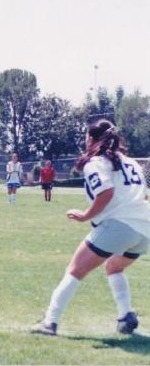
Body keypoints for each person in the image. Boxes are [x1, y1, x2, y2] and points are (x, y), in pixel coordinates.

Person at [32, 119, 150, 336]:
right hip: (145, 229)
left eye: (86, 137)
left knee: (75, 270)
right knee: (114, 267)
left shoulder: (95, 162)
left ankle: (50, 322)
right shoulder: (132, 163)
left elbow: (106, 193)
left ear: (92, 139)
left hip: (120, 225)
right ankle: (126, 316)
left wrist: (86, 215)